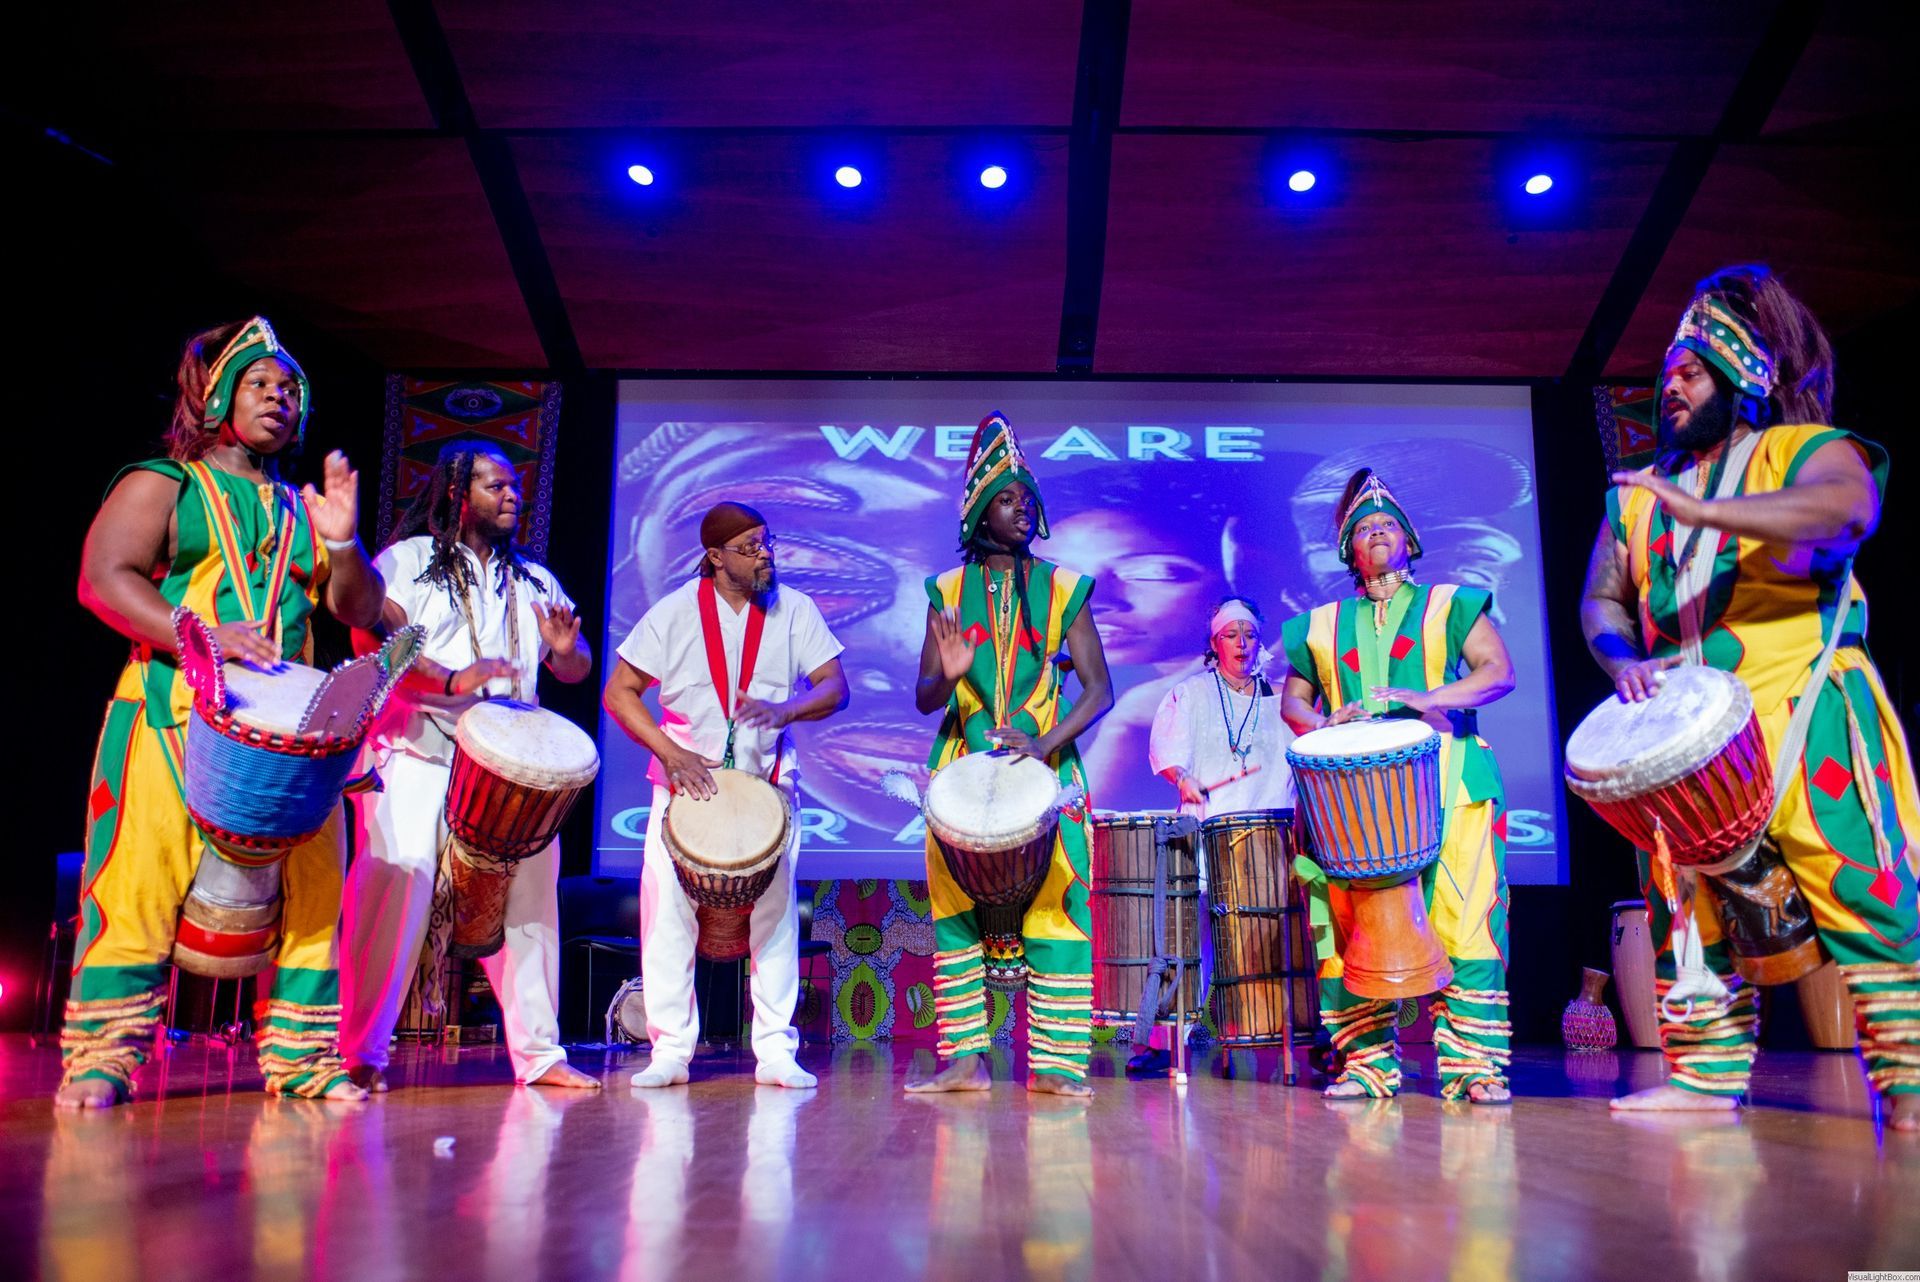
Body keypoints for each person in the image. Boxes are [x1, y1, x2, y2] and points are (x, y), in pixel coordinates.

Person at [1579, 264, 1920, 1129]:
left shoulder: (1799, 451)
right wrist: (1623, 662)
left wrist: (1708, 514)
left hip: (1806, 705)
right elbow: (1602, 599)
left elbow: (1850, 510)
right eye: (1666, 377)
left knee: (1865, 891)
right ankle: (1703, 1078)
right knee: (1687, 911)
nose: (1672, 387)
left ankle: (1911, 1084)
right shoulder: (1641, 497)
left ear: (1742, 378)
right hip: (1689, 738)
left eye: (1691, 371)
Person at [60, 317, 385, 1108]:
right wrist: (198, 635)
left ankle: (306, 1059)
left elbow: (362, 608)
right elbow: (104, 577)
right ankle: (103, 1056)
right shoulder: (161, 482)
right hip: (172, 712)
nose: (279, 399)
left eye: (290, 391)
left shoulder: (302, 508)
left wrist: (342, 546)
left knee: (313, 897)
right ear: (216, 399)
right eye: (260, 385)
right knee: (136, 882)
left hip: (293, 733)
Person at [339, 441, 599, 1093]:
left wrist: (566, 654)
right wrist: (456, 679)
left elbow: (576, 665)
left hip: (511, 778)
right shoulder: (406, 564)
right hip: (421, 753)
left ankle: (539, 1054)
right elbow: (375, 643)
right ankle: (359, 1050)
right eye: (495, 486)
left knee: (532, 907)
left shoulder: (535, 581)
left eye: (515, 487)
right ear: (458, 494)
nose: (511, 496)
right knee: (398, 891)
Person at [1279, 468, 1517, 1103]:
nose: (1376, 533)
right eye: (1363, 528)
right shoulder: (1320, 625)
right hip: (1348, 803)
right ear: (1347, 550)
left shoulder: (1450, 604)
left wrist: (1431, 697)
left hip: (1452, 783)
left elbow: (1498, 672)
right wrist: (1325, 720)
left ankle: (1474, 1068)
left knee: (1464, 923)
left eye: (1387, 525)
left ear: (1409, 540)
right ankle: (1365, 1065)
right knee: (1347, 931)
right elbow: (1293, 705)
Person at [604, 501, 849, 1088]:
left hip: (767, 791)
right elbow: (621, 692)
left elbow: (835, 687)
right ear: (715, 557)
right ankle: (670, 1049)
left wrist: (787, 708)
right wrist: (670, 751)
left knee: (774, 920)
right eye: (750, 546)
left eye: (768, 542)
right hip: (684, 787)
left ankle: (774, 1050)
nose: (765, 554)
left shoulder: (795, 610)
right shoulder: (674, 612)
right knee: (668, 918)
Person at [905, 412, 1115, 1096]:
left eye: (1028, 499)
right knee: (955, 914)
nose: (1021, 509)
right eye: (1006, 499)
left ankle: (1055, 1066)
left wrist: (1044, 744)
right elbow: (925, 698)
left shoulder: (1062, 588)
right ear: (977, 513)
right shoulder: (946, 591)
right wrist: (949, 665)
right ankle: (965, 1061)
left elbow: (1100, 690)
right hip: (959, 774)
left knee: (1059, 907)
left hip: (1051, 775)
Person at [1130, 595, 1298, 1074]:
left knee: (1274, 938)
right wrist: (1184, 778)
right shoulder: (1192, 694)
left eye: (1249, 633)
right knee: (1191, 941)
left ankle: (1296, 1033)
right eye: (1231, 635)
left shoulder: (1281, 696)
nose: (1242, 643)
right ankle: (1164, 1043)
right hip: (1207, 830)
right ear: (1214, 643)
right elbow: (1168, 752)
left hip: (1267, 835)